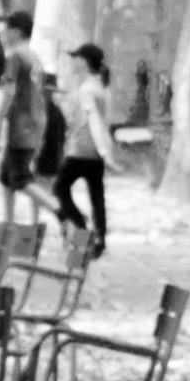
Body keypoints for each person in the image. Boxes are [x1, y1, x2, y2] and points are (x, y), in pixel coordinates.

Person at [0, 11, 62, 226]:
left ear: (17, 31)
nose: (4, 33)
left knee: (20, 178)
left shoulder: (15, 57)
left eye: (7, 29)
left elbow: (10, 93)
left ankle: (61, 212)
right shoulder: (34, 57)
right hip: (36, 121)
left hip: (21, 126)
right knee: (6, 177)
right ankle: (9, 225)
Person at [53, 43, 119, 259]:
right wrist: (105, 151)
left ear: (82, 62)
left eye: (75, 58)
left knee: (59, 189)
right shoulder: (101, 87)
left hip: (82, 150)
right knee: (96, 195)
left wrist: (103, 150)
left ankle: (82, 229)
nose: (72, 62)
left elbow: (95, 121)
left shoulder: (87, 89)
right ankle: (100, 239)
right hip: (94, 152)